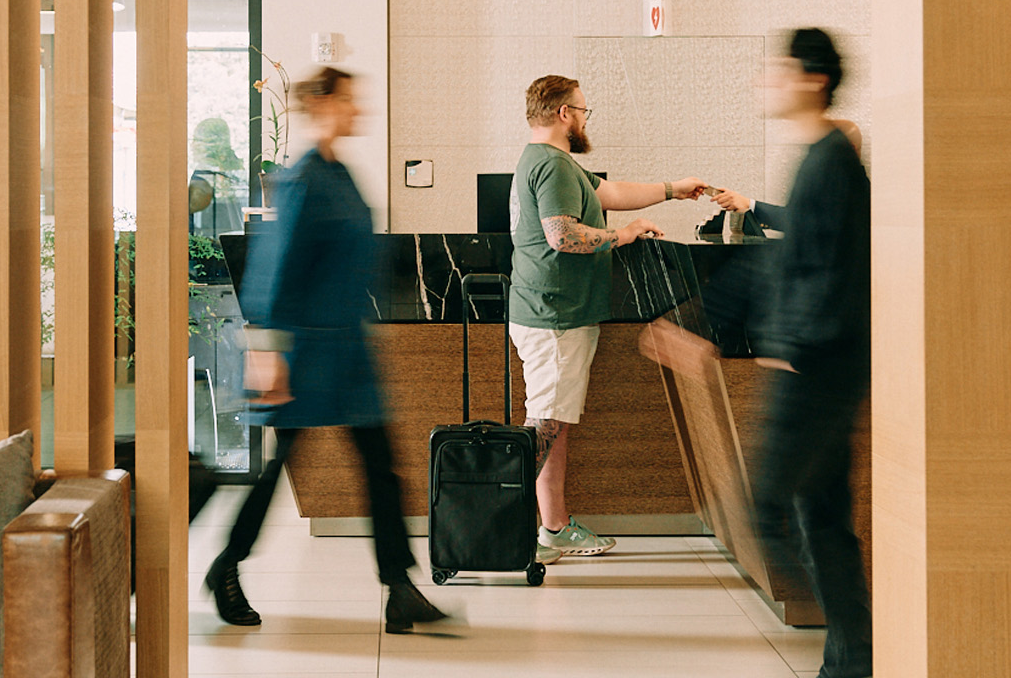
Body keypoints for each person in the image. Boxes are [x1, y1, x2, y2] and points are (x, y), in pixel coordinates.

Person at [210, 67, 451, 635]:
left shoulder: (340, 174)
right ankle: (226, 567)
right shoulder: (302, 179)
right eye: (348, 99)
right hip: (308, 353)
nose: (357, 108)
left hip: (348, 349)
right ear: (323, 104)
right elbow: (275, 267)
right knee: (279, 467)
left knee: (381, 469)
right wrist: (267, 350)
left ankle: (399, 588)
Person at [683, 30, 873, 678]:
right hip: (820, 359)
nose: (767, 78)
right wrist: (705, 327)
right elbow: (783, 262)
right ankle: (856, 660)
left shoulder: (833, 163)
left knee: (770, 501)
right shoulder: (819, 159)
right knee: (819, 512)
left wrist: (789, 342)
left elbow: (829, 272)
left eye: (779, 68)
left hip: (818, 366)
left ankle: (860, 652)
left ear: (814, 79)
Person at [507, 74, 712, 561]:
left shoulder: (547, 162)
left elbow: (610, 191)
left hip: (552, 312)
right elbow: (563, 236)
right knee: (546, 425)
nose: (583, 118)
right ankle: (503, 524)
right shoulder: (553, 166)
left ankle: (553, 528)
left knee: (553, 421)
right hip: (555, 315)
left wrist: (672, 189)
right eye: (582, 110)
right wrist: (625, 234)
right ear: (563, 114)